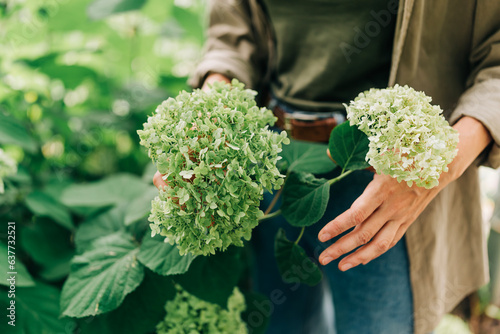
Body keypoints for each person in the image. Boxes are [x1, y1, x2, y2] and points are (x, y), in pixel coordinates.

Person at [154, 1, 500, 333]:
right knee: (281, 325)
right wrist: (208, 117)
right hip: (270, 160)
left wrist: (431, 168)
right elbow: (232, 29)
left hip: (386, 180)